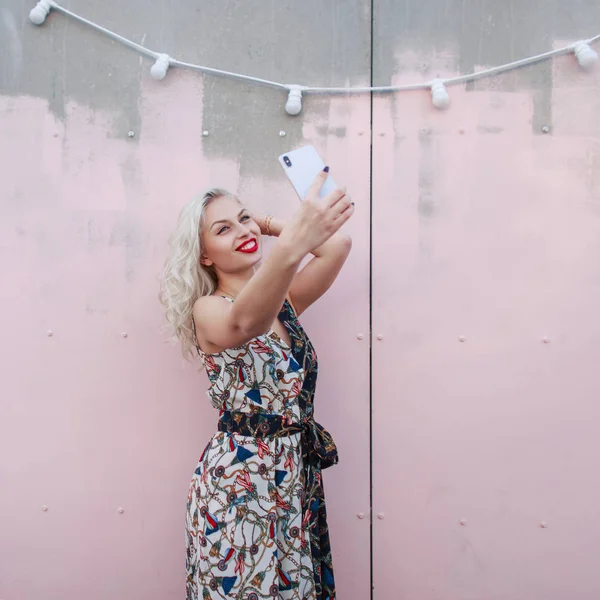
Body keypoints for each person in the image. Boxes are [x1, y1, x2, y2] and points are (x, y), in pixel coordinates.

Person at [159, 167, 354, 600]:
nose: (242, 232)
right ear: (204, 255)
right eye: (222, 229)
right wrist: (291, 242)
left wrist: (265, 224)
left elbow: (337, 246)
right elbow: (245, 321)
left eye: (244, 220)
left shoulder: (283, 304)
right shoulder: (207, 310)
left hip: (292, 478)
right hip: (239, 487)